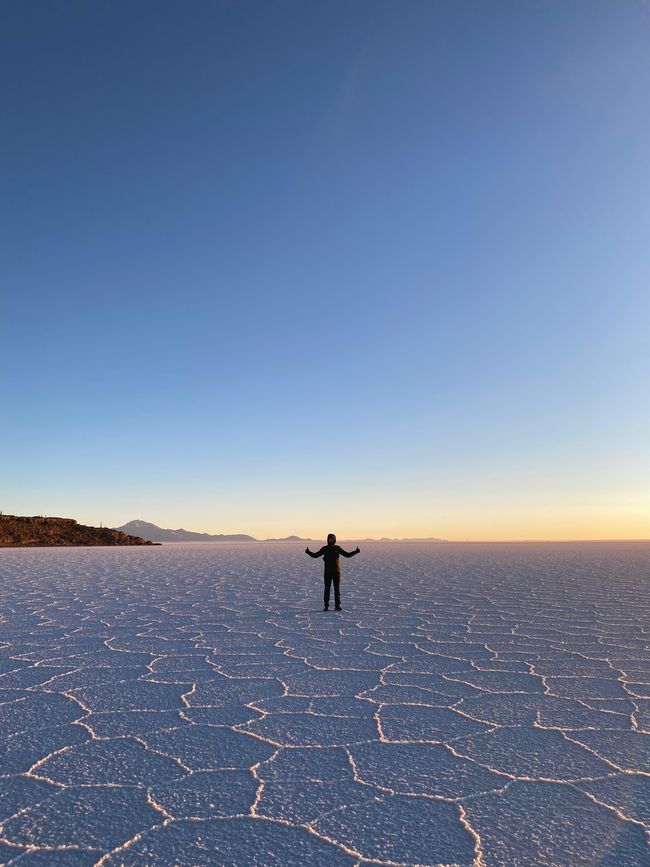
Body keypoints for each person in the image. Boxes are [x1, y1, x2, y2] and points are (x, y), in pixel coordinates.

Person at [305, 533, 360, 611]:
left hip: (336, 572)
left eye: (332, 539)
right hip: (327, 572)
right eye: (330, 539)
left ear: (335, 540)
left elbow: (347, 555)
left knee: (336, 589)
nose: (331, 540)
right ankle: (326, 606)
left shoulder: (337, 548)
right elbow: (315, 555)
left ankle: (337, 605)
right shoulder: (325, 548)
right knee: (327, 589)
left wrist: (356, 551)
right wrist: (308, 552)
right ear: (327, 540)